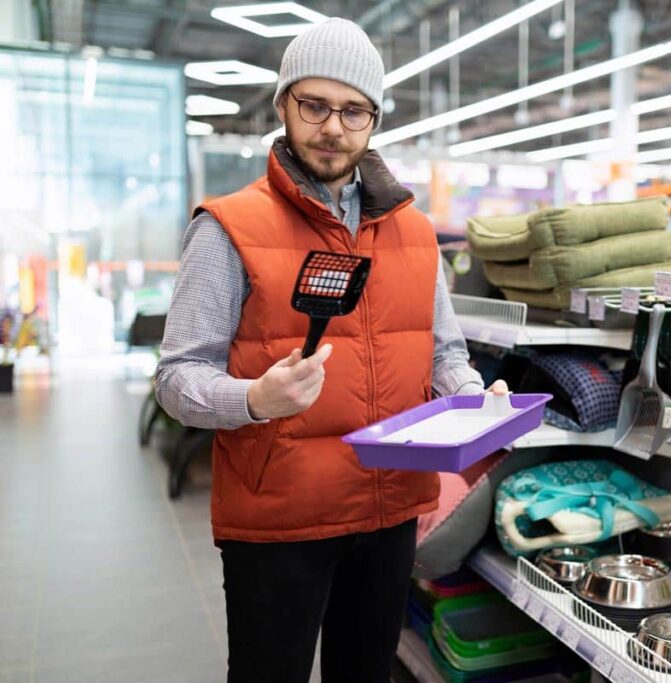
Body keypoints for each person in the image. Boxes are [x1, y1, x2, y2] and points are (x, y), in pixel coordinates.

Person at [155, 17, 505, 683]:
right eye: (314, 105)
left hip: (389, 509)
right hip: (279, 518)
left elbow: (444, 351)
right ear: (284, 104)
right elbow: (177, 379)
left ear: (373, 118)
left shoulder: (415, 231)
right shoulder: (228, 227)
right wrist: (253, 398)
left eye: (353, 110)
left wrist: (470, 394)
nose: (333, 127)